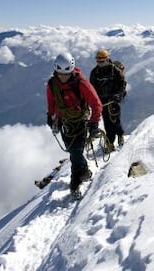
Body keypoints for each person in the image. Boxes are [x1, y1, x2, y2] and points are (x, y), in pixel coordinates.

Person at [46, 52, 102, 196]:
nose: (63, 77)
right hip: (64, 123)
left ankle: (75, 181)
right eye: (60, 73)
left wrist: (94, 123)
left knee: (76, 151)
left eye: (66, 74)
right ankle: (84, 171)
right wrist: (51, 118)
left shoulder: (81, 83)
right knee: (72, 151)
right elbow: (51, 103)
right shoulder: (52, 85)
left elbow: (96, 104)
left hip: (80, 122)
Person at [90, 49, 127, 152]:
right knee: (107, 123)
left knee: (115, 120)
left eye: (101, 61)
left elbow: (122, 83)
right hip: (103, 102)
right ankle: (110, 143)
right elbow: (92, 89)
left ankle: (120, 134)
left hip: (113, 100)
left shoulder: (115, 70)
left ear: (106, 59)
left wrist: (117, 95)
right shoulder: (94, 73)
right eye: (98, 61)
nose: (99, 64)